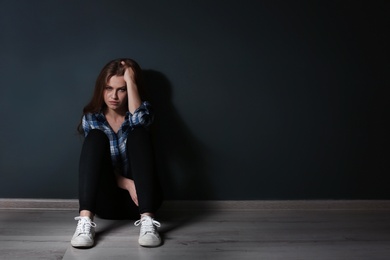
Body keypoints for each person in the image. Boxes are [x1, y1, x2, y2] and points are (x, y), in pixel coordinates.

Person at [70, 58, 163, 248]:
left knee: (138, 133)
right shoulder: (93, 118)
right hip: (106, 202)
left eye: (121, 89)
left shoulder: (140, 114)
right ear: (101, 89)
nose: (114, 96)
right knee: (95, 137)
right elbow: (96, 166)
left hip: (142, 200)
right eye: (108, 88)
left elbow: (140, 121)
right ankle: (85, 222)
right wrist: (127, 183)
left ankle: (148, 223)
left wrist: (131, 79)